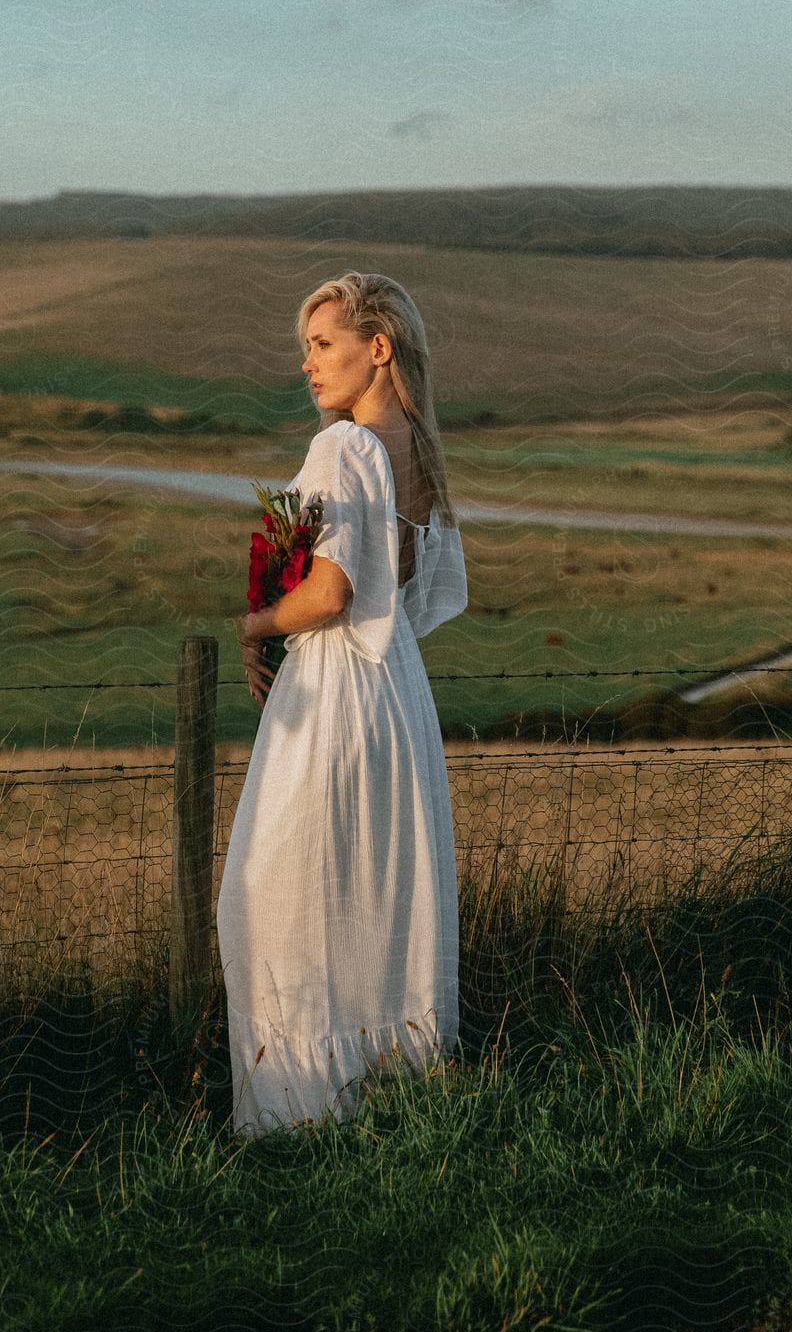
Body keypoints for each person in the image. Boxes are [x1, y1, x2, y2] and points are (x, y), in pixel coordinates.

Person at [215, 271, 469, 1138]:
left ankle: (298, 1113)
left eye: (323, 344)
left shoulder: (343, 448)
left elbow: (328, 595)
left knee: (271, 896)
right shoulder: (421, 455)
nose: (307, 364)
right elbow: (417, 602)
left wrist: (255, 623)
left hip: (332, 695)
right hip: (397, 690)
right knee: (378, 899)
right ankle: (393, 1098)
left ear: (379, 347)